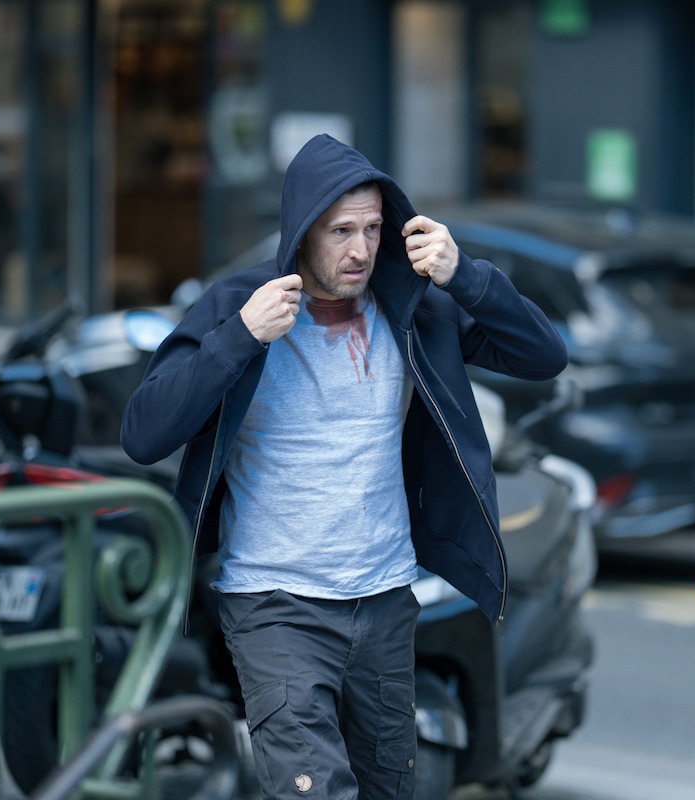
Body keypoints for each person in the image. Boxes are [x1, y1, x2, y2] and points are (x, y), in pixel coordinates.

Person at [120, 133, 566, 800]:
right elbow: (143, 433)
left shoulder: (412, 305)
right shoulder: (237, 306)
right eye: (340, 231)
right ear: (301, 232)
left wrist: (464, 273)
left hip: (384, 601)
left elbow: (544, 355)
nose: (360, 250)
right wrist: (238, 338)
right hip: (274, 604)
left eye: (372, 229)